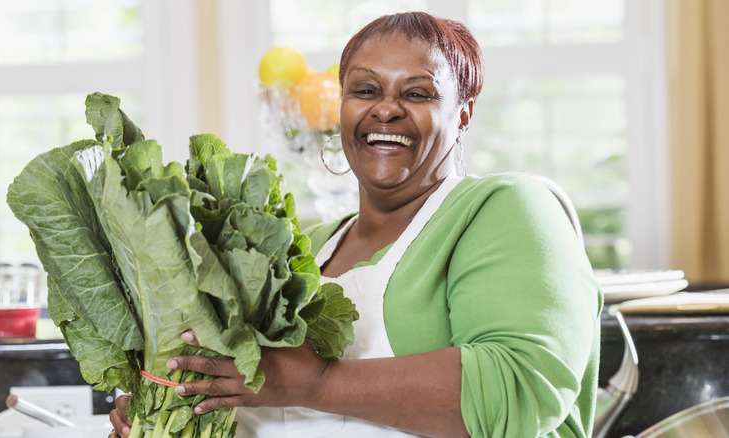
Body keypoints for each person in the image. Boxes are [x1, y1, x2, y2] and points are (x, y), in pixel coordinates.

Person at [110, 11, 601, 438]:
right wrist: (176, 406)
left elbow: (518, 388)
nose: (385, 107)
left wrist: (316, 382)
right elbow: (256, 396)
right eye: (364, 90)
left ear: (464, 114)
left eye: (418, 92)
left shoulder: (505, 208)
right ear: (340, 110)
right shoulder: (304, 249)